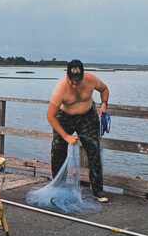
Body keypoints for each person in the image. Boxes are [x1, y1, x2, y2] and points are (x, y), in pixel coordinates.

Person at [46, 59, 109, 203]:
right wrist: (66, 136)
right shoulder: (60, 88)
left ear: (83, 75)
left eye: (78, 81)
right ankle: (58, 190)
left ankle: (98, 191)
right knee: (57, 150)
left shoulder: (91, 79)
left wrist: (104, 104)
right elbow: (50, 116)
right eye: (72, 81)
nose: (75, 84)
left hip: (87, 116)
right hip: (64, 117)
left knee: (94, 150)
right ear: (67, 75)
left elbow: (104, 89)